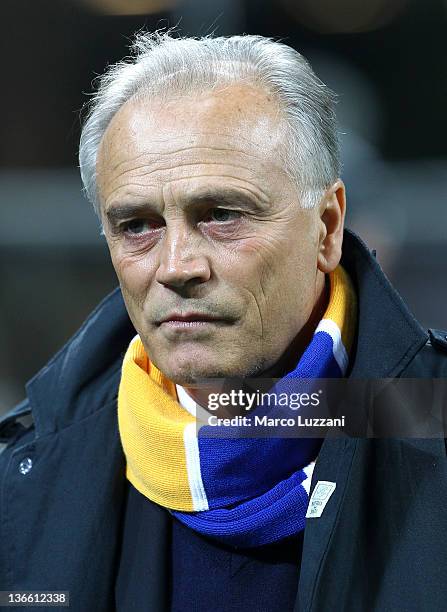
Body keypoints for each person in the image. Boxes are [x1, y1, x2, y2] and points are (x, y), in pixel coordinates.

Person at [1, 32, 446, 612]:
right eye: (137, 225)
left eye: (222, 215)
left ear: (327, 227)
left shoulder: (430, 418)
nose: (176, 266)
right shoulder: (22, 473)